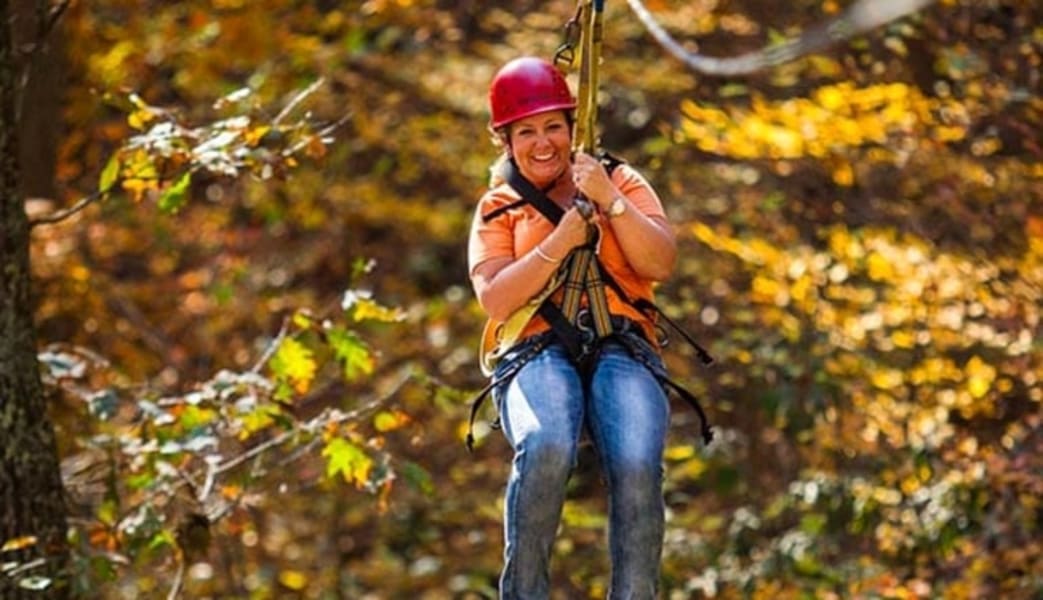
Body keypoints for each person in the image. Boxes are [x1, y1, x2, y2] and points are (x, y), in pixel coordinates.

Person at [467, 56, 680, 599]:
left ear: (572, 128)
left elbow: (658, 262)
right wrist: (561, 239)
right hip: (534, 349)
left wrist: (609, 201)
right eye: (526, 132)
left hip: (623, 343)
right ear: (506, 142)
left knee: (636, 461)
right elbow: (495, 297)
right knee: (543, 444)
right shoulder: (499, 206)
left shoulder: (620, 180)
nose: (543, 144)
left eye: (553, 127)